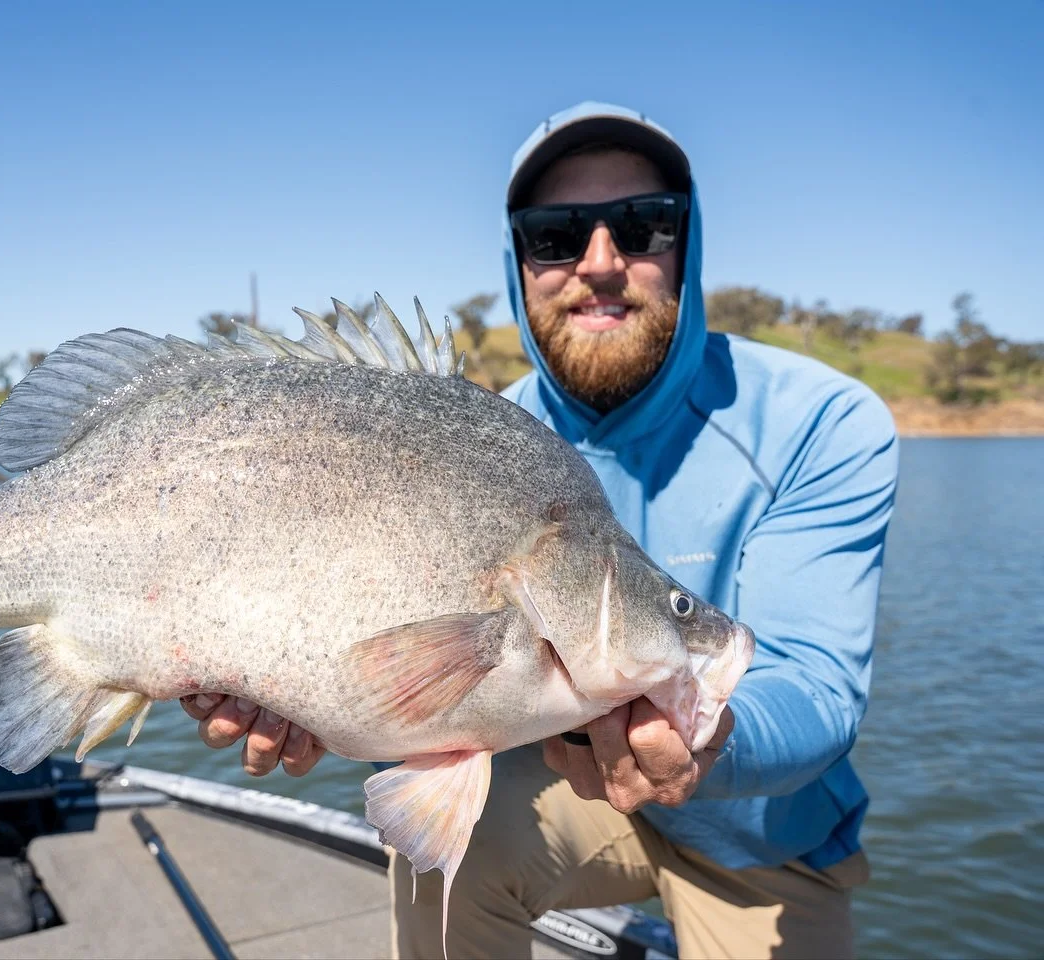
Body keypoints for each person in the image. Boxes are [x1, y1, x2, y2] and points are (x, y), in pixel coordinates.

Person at [181, 102, 898, 960]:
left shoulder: (822, 420)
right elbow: (399, 668)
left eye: (642, 225)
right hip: (561, 788)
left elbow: (818, 686)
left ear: (689, 244)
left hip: (765, 837)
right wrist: (304, 699)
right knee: (442, 859)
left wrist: (712, 745)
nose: (599, 262)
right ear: (518, 260)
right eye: (554, 236)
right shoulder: (473, 436)